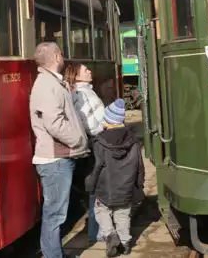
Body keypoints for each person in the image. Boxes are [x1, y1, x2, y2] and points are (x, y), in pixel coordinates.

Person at [30, 42, 89, 258]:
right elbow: (54, 123)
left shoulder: (52, 82)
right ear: (56, 56)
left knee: (56, 213)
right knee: (55, 214)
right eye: (62, 53)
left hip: (59, 157)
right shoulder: (47, 84)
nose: (63, 57)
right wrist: (78, 141)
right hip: (55, 160)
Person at [85, 99, 145, 257]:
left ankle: (110, 235)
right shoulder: (133, 142)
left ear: (107, 120)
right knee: (123, 214)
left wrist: (90, 184)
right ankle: (125, 243)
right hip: (126, 188)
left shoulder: (99, 142)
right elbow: (140, 166)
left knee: (101, 211)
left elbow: (97, 167)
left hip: (105, 188)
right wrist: (139, 185)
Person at [64, 62, 105, 243]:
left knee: (94, 186)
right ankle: (97, 231)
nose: (89, 71)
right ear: (77, 76)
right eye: (85, 70)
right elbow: (89, 122)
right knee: (97, 187)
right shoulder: (82, 94)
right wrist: (104, 129)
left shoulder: (82, 92)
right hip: (96, 141)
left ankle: (96, 230)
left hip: (93, 142)